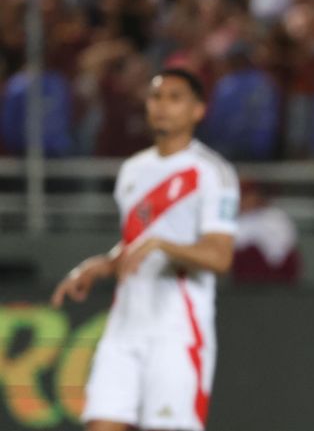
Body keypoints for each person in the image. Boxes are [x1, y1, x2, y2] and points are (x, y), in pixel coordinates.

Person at [51, 68, 240, 431]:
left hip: (177, 331)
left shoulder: (212, 173)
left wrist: (162, 245)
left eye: (175, 97)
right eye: (156, 97)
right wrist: (101, 265)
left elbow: (220, 256)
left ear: (198, 110)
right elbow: (134, 245)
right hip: (124, 327)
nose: (162, 106)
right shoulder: (133, 171)